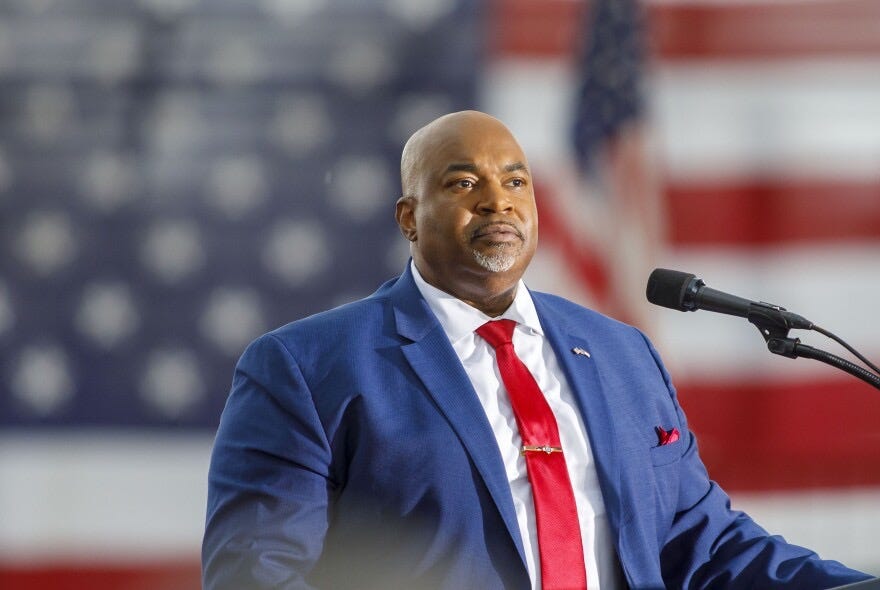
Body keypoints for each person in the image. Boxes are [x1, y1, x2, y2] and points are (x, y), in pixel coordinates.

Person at [202, 110, 872, 589]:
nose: (499, 202)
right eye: (463, 183)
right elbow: (257, 572)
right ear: (409, 217)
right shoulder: (306, 366)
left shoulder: (621, 354)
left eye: (516, 181)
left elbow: (704, 544)